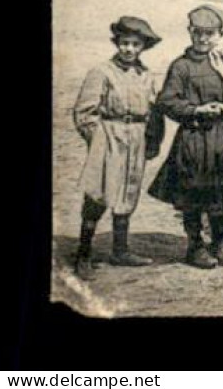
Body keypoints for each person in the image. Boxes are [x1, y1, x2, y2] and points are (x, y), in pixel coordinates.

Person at [148, 6, 223, 269]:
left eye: (209, 34)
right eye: (197, 33)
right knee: (193, 193)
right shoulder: (181, 66)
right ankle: (195, 244)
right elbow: (168, 100)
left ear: (221, 34)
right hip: (194, 137)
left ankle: (222, 239)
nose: (203, 39)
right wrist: (196, 110)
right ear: (190, 33)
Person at [71, 16, 166, 275]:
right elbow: (84, 112)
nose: (129, 49)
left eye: (135, 44)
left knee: (128, 191)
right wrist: (99, 139)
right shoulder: (101, 72)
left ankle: (120, 250)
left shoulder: (145, 74)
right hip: (109, 135)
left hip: (136, 135)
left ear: (142, 47)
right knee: (99, 192)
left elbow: (154, 108)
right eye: (124, 43)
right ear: (117, 43)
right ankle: (83, 253)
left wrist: (152, 139)